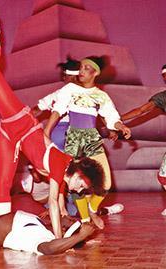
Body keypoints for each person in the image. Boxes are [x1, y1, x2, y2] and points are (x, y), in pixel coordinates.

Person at [0, 5, 104, 239]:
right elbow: (52, 200)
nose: (79, 190)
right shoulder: (62, 165)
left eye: (82, 189)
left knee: (4, 183)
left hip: (10, 137)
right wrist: (59, 240)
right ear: (79, 170)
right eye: (82, 184)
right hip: (17, 119)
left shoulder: (63, 179)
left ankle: (3, 232)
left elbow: (57, 204)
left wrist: (70, 228)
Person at [44, 57, 131, 229]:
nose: (81, 71)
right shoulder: (70, 89)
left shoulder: (101, 96)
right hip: (74, 140)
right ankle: (85, 221)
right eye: (80, 68)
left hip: (92, 139)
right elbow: (58, 110)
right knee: (75, 186)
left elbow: (111, 117)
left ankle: (92, 209)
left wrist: (121, 126)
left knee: (105, 183)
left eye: (86, 68)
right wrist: (46, 131)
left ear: (95, 73)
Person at [121, 66, 166, 215]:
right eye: (164, 75)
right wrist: (116, 120)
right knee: (163, 177)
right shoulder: (162, 97)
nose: (165, 77)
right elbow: (141, 110)